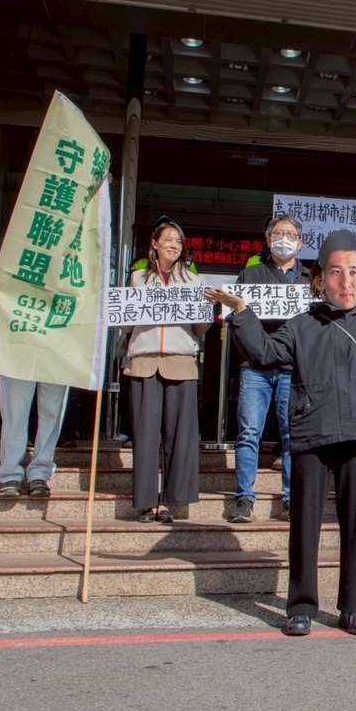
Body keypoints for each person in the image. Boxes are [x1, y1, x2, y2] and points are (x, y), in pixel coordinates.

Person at [208, 230, 356, 636]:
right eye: (337, 273)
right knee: (305, 524)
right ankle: (301, 606)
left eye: (354, 272)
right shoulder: (301, 326)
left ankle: (353, 607)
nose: (347, 281)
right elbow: (265, 354)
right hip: (311, 436)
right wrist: (243, 314)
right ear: (320, 279)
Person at [123, 218, 208, 523]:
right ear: (154, 244)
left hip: (181, 363)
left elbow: (199, 329)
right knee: (145, 437)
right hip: (144, 362)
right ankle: (147, 503)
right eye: (168, 239)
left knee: (179, 437)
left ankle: (172, 501)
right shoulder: (137, 279)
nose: (174, 244)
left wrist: (208, 314)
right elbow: (126, 321)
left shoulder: (194, 282)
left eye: (179, 241)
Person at [230, 214, 310, 522]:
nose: (284, 239)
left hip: (293, 368)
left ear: (300, 242)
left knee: (293, 435)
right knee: (249, 432)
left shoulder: (309, 280)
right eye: (278, 233)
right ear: (267, 240)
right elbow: (235, 319)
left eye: (290, 234)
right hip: (256, 367)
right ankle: (244, 498)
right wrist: (253, 351)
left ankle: (291, 497)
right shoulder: (251, 275)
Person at [0, 287, 69, 498]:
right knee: (14, 412)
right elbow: (1, 292)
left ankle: (40, 472)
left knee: (51, 412)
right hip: (19, 343)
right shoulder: (21, 259)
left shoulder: (72, 260)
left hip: (57, 343)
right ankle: (10, 472)